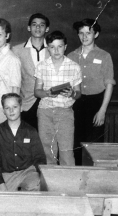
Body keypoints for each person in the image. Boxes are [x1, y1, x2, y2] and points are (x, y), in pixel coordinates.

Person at [68, 19, 115, 165]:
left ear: (96, 34)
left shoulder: (104, 56)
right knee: (76, 144)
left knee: (94, 147)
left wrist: (102, 110)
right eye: (81, 33)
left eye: (88, 33)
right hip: (76, 103)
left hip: (96, 103)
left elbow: (109, 84)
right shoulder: (71, 56)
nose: (84, 36)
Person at [34, 30, 82, 166]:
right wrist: (47, 93)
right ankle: (50, 184)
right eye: (52, 47)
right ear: (47, 47)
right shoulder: (42, 66)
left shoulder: (74, 67)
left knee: (66, 151)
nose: (56, 50)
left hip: (65, 113)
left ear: (65, 47)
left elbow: (78, 93)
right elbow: (37, 92)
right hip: (45, 111)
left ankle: (68, 185)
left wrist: (71, 94)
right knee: (47, 151)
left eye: (60, 46)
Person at [0, 93, 46, 191]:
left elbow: (40, 158)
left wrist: (39, 177)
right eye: (7, 108)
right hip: (6, 174)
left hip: (28, 172)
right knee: (0, 201)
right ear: (3, 111)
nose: (11, 111)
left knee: (36, 185)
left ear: (21, 108)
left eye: (15, 107)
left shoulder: (31, 131)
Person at [12, 13, 51, 130]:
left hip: (48, 102)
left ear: (47, 29)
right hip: (26, 103)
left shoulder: (53, 50)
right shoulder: (17, 50)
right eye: (34, 25)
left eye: (41, 25)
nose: (38, 28)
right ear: (29, 28)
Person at [0, 18, 21, 127]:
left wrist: (11, 111)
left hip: (5, 107)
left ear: (7, 36)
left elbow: (15, 88)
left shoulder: (12, 59)